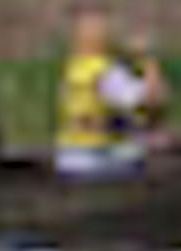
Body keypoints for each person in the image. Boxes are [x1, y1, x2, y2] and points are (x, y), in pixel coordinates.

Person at [55, 11, 168, 176]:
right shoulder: (107, 72)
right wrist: (148, 59)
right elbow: (153, 99)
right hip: (99, 160)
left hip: (69, 158)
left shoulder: (73, 67)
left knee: (145, 138)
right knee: (154, 158)